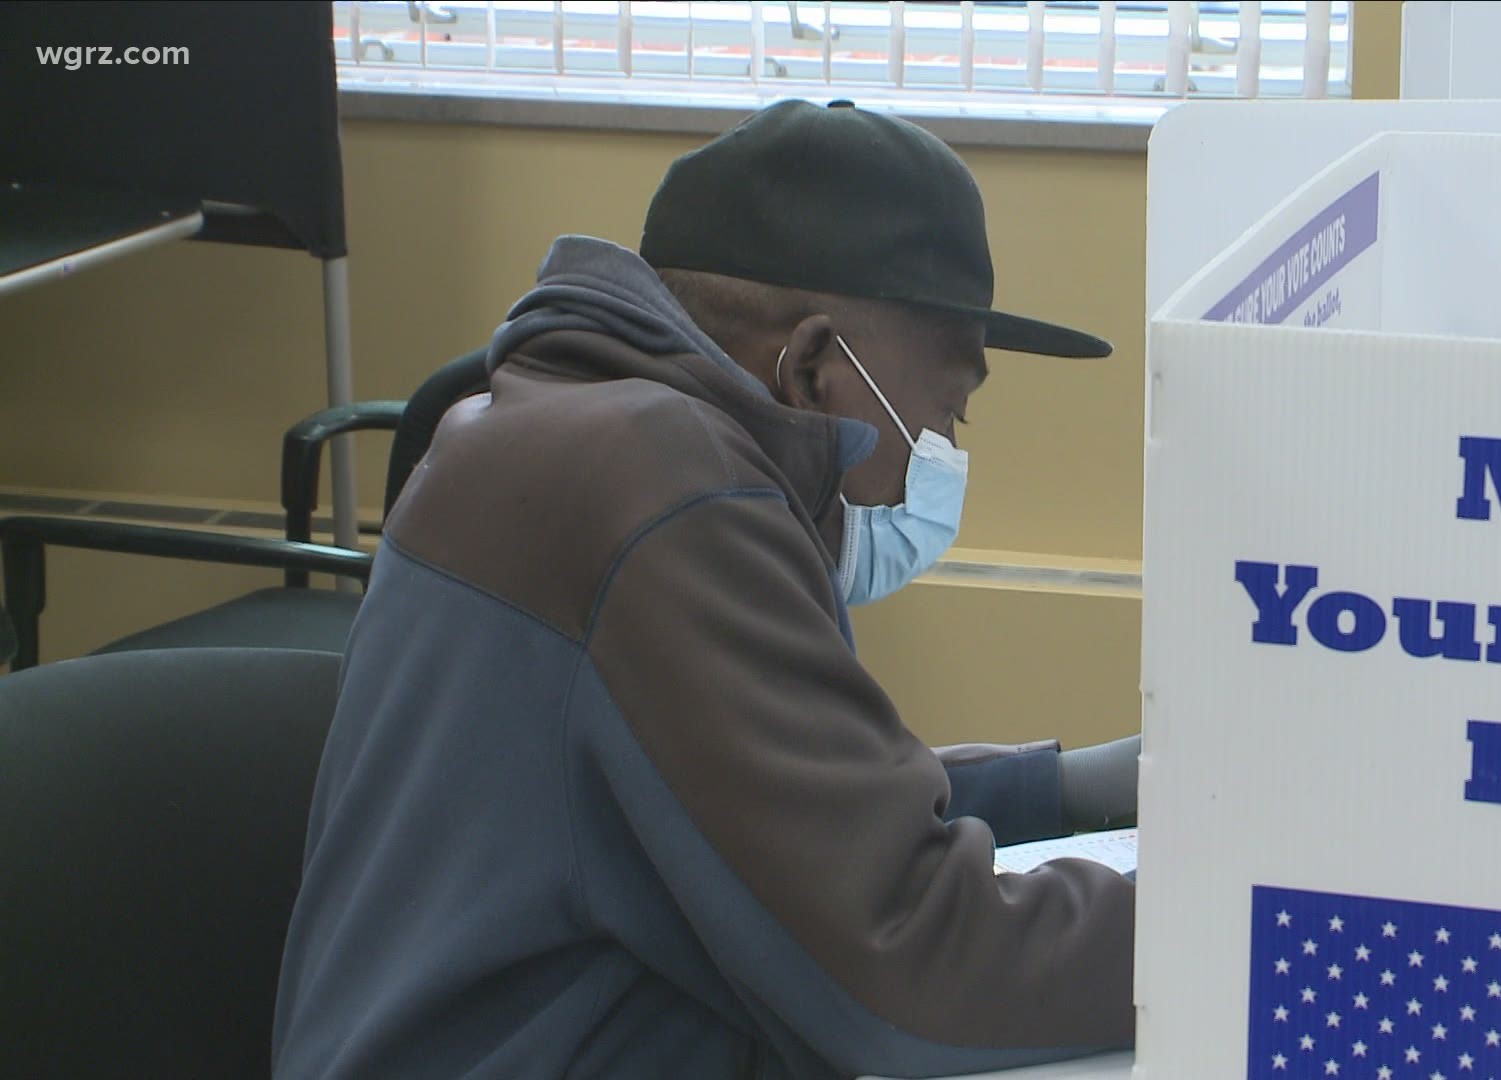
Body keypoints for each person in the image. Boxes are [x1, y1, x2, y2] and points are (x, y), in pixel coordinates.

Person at [272, 99, 1139, 1080]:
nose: (931, 465)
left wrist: (1065, 788)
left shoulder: (562, 425)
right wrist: (1242, 910)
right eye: (944, 417)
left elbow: (777, 797)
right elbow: (912, 965)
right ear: (813, 365)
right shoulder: (667, 487)